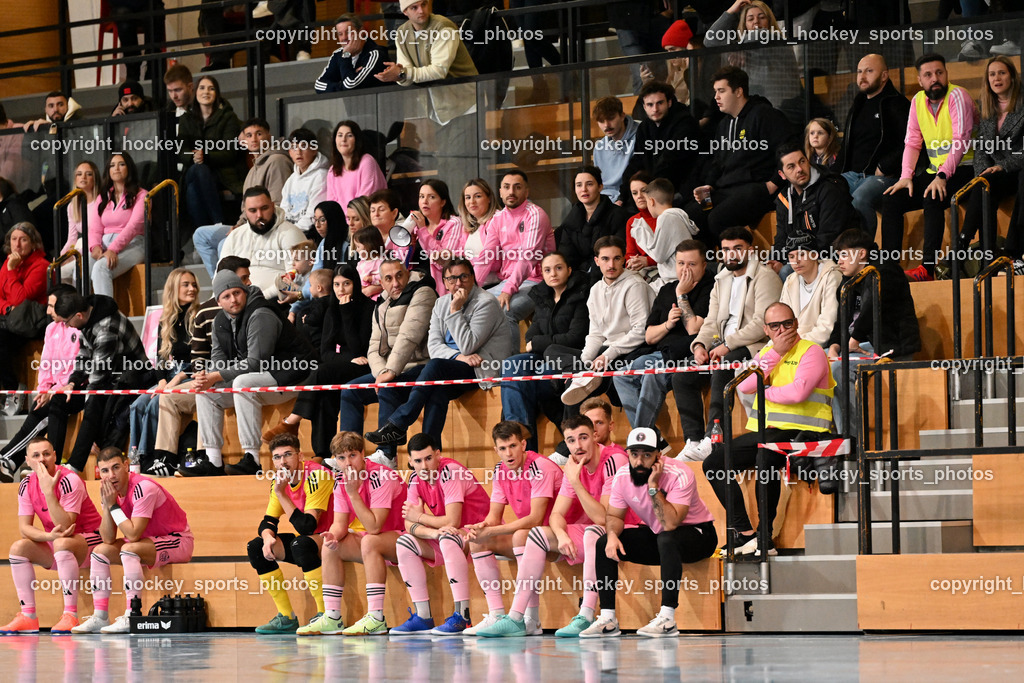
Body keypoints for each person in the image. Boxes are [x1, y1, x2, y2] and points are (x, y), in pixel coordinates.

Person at [472, 415, 633, 638]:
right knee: (536, 535)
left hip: (625, 530)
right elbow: (556, 514)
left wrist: (575, 481)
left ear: (595, 437)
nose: (578, 446)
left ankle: (586, 616)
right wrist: (561, 534)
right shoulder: (572, 464)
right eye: (571, 441)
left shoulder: (614, 459)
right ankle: (516, 617)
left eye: (583, 438)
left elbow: (604, 518)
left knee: (591, 532)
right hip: (582, 532)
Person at [703, 302, 834, 556]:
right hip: (768, 430)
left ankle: (765, 537)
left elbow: (799, 393)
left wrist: (766, 391)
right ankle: (744, 533)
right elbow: (744, 385)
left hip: (804, 431)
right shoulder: (767, 352)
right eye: (775, 326)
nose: (782, 330)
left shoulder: (812, 351)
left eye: (787, 323)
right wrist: (775, 354)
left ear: (796, 323)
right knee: (715, 463)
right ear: (766, 329)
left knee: (765, 455)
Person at [579, 427, 716, 638]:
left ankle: (667, 619)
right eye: (634, 454)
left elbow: (670, 523)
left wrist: (653, 487)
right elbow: (614, 517)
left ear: (659, 456)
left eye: (646, 455)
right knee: (603, 541)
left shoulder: (680, 473)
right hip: (659, 535)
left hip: (698, 535)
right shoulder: (622, 476)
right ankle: (608, 619)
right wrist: (613, 536)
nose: (639, 461)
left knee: (666, 538)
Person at [364, 258, 513, 448]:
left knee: (435, 366)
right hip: (451, 364)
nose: (458, 283)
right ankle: (427, 450)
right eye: (451, 279)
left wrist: (454, 310)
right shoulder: (441, 303)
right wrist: (458, 357)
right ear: (444, 282)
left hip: (480, 367)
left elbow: (468, 345)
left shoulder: (486, 302)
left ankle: (400, 422)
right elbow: (434, 346)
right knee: (406, 385)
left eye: (463, 277)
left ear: (473, 277)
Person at [190, 269, 315, 476]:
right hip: (265, 377)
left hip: (294, 372)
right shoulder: (220, 321)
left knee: (242, 383)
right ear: (218, 301)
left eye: (237, 293)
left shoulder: (260, 313)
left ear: (245, 291)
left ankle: (252, 458)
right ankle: (212, 460)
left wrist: (215, 376)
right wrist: (206, 378)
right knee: (206, 391)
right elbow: (218, 362)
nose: (234, 300)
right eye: (226, 296)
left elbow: (256, 363)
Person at [675, 226, 782, 461]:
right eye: (725, 250)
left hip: (756, 346)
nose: (731, 254)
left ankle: (715, 439)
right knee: (682, 374)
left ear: (750, 250)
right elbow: (711, 321)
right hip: (722, 346)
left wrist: (728, 345)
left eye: (738, 248)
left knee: (724, 366)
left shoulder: (766, 277)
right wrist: (700, 345)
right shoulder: (721, 279)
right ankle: (693, 441)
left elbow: (761, 324)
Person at [71, 447, 193, 634]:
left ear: (126, 465)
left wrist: (113, 506)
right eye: (105, 470)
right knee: (99, 552)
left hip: (177, 540)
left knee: (130, 548)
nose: (111, 475)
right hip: (145, 543)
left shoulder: (144, 487)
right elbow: (107, 538)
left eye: (116, 467)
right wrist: (108, 507)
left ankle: (132, 614)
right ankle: (100, 616)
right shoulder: (110, 492)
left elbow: (134, 534)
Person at [261, 264, 375, 462]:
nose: (341, 290)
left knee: (322, 373)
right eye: (337, 285)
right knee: (323, 392)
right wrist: (347, 359)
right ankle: (322, 454)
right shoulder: (332, 307)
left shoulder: (368, 307)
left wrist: (347, 313)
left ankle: (292, 421)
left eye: (346, 284)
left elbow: (360, 349)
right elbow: (326, 351)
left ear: (355, 284)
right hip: (342, 364)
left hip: (366, 363)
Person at [881, 53, 978, 282]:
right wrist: (906, 176)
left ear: (946, 74)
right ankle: (889, 269)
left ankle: (927, 268)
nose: (935, 78)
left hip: (967, 168)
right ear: (920, 80)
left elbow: (961, 140)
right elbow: (912, 142)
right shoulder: (917, 102)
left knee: (932, 196)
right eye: (928, 75)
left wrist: (943, 175)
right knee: (892, 199)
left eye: (939, 73)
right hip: (936, 171)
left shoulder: (958, 96)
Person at [299, 433, 406, 635]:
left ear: (363, 454)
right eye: (341, 458)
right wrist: (331, 536)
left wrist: (353, 494)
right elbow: (339, 525)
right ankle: (332, 617)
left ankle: (376, 617)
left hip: (404, 538)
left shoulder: (381, 476)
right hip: (376, 542)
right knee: (332, 546)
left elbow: (374, 527)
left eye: (352, 455)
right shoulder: (341, 481)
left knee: (370, 541)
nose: (347, 463)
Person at [154, 257, 253, 472]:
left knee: (199, 390)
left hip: (216, 377)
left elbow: (248, 359)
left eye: (193, 284)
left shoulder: (254, 309)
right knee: (145, 402)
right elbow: (193, 357)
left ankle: (204, 456)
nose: (248, 283)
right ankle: (163, 458)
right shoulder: (179, 318)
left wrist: (188, 377)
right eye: (243, 278)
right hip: (200, 375)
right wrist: (165, 379)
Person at [464, 421, 563, 634]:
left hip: (560, 536)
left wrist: (494, 530)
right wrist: (482, 528)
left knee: (521, 536)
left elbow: (536, 518)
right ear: (495, 450)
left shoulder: (540, 467)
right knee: (477, 541)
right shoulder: (500, 470)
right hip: (531, 536)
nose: (508, 453)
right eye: (502, 448)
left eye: (513, 446)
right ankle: (496, 614)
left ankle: (531, 619)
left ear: (523, 444)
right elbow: (493, 516)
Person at [338, 259, 438, 470]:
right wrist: (383, 371)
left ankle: (387, 455)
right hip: (392, 369)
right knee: (350, 390)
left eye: (399, 275)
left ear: (407, 273)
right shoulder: (381, 304)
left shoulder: (423, 292)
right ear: (381, 283)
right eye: (389, 278)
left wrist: (390, 372)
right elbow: (373, 347)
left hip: (421, 365)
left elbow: (409, 336)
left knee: (386, 386)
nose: (396, 282)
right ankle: (348, 457)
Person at [389, 433, 490, 636]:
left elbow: (451, 520)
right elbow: (408, 524)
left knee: (447, 537)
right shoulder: (415, 479)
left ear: (438, 454)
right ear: (410, 461)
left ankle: (463, 616)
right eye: (418, 461)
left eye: (428, 458)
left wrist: (421, 518)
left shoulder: (450, 471)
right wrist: (432, 532)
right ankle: (423, 617)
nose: (424, 466)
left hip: (481, 533)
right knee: (404, 542)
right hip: (452, 535)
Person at [0, 437, 101, 634]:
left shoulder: (70, 480)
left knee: (63, 542)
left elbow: (66, 525)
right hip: (59, 543)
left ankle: (70, 615)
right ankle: (28, 616)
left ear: (55, 456)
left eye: (46, 454)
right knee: (18, 548)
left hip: (91, 541)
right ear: (27, 461)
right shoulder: (26, 484)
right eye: (36, 456)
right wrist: (48, 538)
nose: (42, 459)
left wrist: (48, 492)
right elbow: (24, 529)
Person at [54, 288, 158, 474]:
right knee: (60, 400)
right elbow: (84, 358)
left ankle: (75, 465)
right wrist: (72, 383)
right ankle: (54, 464)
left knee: (93, 403)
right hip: (110, 377)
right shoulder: (86, 320)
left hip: (133, 378)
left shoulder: (106, 327)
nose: (67, 327)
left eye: (67, 322)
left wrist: (88, 405)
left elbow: (98, 376)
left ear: (78, 315)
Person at [614, 239, 714, 432]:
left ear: (704, 265)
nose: (685, 270)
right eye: (681, 263)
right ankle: (652, 439)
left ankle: (641, 440)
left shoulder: (710, 287)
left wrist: (682, 295)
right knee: (620, 375)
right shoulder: (667, 289)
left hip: (689, 353)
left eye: (692, 264)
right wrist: (667, 324)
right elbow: (650, 336)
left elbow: (694, 329)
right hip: (661, 353)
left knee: (652, 376)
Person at [686, 67, 794, 245]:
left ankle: (737, 265)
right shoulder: (723, 124)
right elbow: (717, 163)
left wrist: (774, 183)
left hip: (757, 188)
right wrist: (709, 186)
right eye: (715, 92)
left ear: (738, 92)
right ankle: (708, 267)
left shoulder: (765, 115)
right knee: (690, 215)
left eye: (721, 91)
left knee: (717, 219)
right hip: (724, 190)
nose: (716, 97)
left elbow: (788, 151)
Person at [828, 229, 920, 433]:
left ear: (861, 253)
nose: (839, 261)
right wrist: (834, 346)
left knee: (837, 370)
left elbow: (873, 309)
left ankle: (855, 437)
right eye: (838, 256)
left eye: (843, 254)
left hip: (889, 347)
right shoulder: (848, 282)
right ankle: (835, 435)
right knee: (820, 365)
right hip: (858, 348)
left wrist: (854, 340)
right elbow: (841, 321)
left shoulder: (884, 271)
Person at [501, 251, 590, 452]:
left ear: (568, 270)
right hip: (542, 357)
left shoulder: (580, 296)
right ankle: (519, 427)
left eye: (558, 268)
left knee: (531, 383)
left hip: (567, 357)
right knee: (512, 364)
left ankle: (525, 448)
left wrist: (541, 343)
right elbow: (529, 336)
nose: (553, 274)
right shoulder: (542, 297)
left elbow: (575, 337)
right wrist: (540, 343)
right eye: (547, 270)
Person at [245, 433, 333, 635]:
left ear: (300, 456)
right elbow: (268, 521)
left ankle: (325, 614)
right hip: (315, 540)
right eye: (277, 457)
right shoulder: (279, 481)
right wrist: (267, 538)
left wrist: (281, 493)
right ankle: (286, 617)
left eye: (287, 455)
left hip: (337, 536)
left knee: (301, 543)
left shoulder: (316, 475)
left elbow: (307, 526)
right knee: (256, 547)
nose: (282, 462)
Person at [558, 236, 655, 408]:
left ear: (624, 259)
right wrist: (585, 361)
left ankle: (593, 379)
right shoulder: (595, 290)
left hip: (635, 348)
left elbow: (641, 330)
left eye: (616, 258)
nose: (611, 265)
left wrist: (607, 355)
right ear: (596, 261)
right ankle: (572, 429)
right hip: (607, 352)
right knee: (569, 379)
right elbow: (596, 333)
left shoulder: (634, 285)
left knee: (579, 381)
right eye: (605, 259)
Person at [193, 118, 295, 278]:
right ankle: (220, 285)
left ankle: (230, 287)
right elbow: (245, 209)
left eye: (259, 134)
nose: (254, 139)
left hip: (263, 225)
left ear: (269, 136)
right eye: (248, 135)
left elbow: (278, 204)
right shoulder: (253, 168)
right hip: (245, 224)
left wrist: (242, 227)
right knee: (201, 234)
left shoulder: (277, 161)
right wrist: (239, 225)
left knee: (224, 244)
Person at [0, 285, 82, 483]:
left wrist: (55, 390)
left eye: (52, 306)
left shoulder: (78, 329)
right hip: (56, 390)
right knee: (39, 406)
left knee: (53, 405)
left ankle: (11, 458)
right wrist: (45, 389)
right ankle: (9, 460)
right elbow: (45, 364)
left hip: (77, 389)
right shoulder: (51, 328)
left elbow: (76, 366)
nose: (47, 311)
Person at [127, 268, 199, 477]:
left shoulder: (199, 316)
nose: (192, 288)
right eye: (186, 284)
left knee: (155, 403)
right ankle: (136, 457)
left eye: (193, 284)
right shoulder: (166, 320)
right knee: (138, 403)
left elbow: (202, 359)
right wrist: (160, 382)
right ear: (173, 289)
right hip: (169, 376)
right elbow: (161, 358)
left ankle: (149, 456)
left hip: (188, 375)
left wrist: (175, 379)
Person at [473, 170, 555, 348]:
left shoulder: (535, 214)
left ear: (526, 192)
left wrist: (509, 289)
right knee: (472, 307)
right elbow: (487, 255)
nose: (511, 192)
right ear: (500, 192)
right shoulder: (498, 218)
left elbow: (528, 257)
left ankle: (511, 369)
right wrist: (470, 288)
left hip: (539, 282)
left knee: (505, 311)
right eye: (507, 187)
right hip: (509, 282)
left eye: (517, 187)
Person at [960, 56, 1024, 274]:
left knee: (988, 183)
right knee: (982, 186)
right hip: (996, 174)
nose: (997, 78)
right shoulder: (987, 106)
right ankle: (988, 260)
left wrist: (1003, 166)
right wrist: (982, 173)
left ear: (1013, 77)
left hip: (1017, 170)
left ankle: (964, 245)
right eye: (992, 74)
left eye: (1002, 73)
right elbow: (980, 149)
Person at [836, 54, 911, 236]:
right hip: (851, 175)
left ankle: (864, 254)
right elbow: (847, 146)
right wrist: (831, 176)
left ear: (884, 75)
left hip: (881, 176)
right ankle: (833, 257)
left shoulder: (897, 103)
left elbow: (911, 142)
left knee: (860, 199)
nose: (862, 77)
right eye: (859, 71)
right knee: (824, 196)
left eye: (869, 71)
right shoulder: (857, 105)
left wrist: (884, 165)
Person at [770, 140, 862, 272]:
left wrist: (790, 260)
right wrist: (777, 259)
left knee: (786, 271)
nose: (800, 169)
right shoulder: (784, 199)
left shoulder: (830, 189)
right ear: (782, 175)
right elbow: (781, 238)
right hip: (802, 256)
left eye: (802, 161)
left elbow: (828, 238)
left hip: (833, 257)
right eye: (791, 166)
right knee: (767, 268)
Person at [176, 75, 246, 229]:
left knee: (193, 190)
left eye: (211, 88)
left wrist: (205, 156)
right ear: (195, 92)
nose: (206, 92)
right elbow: (181, 151)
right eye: (202, 88)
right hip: (193, 169)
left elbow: (229, 152)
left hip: (221, 174)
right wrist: (195, 157)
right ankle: (218, 223)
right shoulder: (186, 119)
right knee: (198, 170)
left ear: (217, 94)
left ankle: (200, 238)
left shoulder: (229, 118)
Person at [703, 0, 802, 107]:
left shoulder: (779, 41)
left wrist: (737, 49)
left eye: (762, 17)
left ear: (769, 21)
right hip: (749, 104)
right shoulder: (742, 45)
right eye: (750, 19)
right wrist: (731, 10)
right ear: (744, 24)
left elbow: (761, 35)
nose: (756, 22)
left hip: (779, 104)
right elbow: (709, 41)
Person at [622, 81, 704, 205]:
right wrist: (622, 195)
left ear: (669, 102)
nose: (655, 109)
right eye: (650, 105)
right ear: (644, 107)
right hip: (655, 189)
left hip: (684, 189)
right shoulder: (644, 128)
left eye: (659, 103)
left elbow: (671, 161)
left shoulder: (685, 123)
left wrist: (650, 190)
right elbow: (637, 161)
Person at [219, 186, 306, 300]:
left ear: (273, 206)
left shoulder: (290, 233)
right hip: (236, 301)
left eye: (264, 208)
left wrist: (261, 297)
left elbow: (297, 276)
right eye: (253, 210)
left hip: (275, 301)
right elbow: (221, 275)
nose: (259, 215)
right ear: (245, 211)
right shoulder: (235, 236)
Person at [88, 152, 148, 297]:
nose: (116, 169)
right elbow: (94, 228)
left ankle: (107, 317)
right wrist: (95, 247)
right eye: (112, 165)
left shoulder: (142, 195)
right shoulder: (103, 196)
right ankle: (82, 315)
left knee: (101, 268)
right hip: (104, 245)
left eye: (121, 164)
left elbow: (134, 226)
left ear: (129, 168)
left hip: (132, 244)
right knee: (80, 270)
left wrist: (113, 249)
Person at [0, 222, 49, 395]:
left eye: (23, 240)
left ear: (34, 243)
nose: (17, 244)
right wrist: (7, 308)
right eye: (14, 239)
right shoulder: (8, 262)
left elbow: (20, 300)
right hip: (10, 319)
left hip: (31, 322)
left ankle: (13, 392)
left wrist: (12, 270)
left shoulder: (41, 266)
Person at [556, 166, 629, 280]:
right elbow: (566, 257)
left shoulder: (617, 215)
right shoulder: (571, 220)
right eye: (579, 185)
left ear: (600, 186)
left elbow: (616, 254)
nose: (584, 189)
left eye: (589, 184)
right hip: (577, 277)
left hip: (609, 277)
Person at [406, 179, 467, 295]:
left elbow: (444, 261)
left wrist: (423, 231)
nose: (425, 201)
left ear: (443, 202)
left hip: (439, 290)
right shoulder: (415, 225)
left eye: (431, 197)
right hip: (414, 285)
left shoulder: (454, 223)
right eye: (421, 196)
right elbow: (403, 263)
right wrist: (409, 246)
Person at [634, 178, 699, 285]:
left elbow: (659, 256)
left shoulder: (666, 217)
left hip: (675, 280)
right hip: (674, 278)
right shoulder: (675, 215)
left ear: (651, 201)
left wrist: (640, 232)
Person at [779, 248, 842, 348]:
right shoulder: (790, 280)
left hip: (821, 347)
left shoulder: (832, 277)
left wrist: (793, 345)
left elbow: (826, 329)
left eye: (801, 255)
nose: (796, 261)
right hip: (793, 345)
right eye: (791, 257)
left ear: (815, 255)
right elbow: (781, 323)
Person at [325, 120, 387, 215]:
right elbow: (331, 205)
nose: (343, 139)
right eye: (340, 135)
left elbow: (363, 202)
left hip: (364, 220)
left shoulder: (367, 162)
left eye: (349, 135)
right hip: (343, 224)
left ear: (357, 140)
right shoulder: (332, 171)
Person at [314, 14, 386, 93]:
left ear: (361, 32)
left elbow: (350, 86)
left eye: (348, 32)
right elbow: (319, 85)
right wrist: (343, 85)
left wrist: (346, 55)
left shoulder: (375, 54)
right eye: (340, 34)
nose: (344, 38)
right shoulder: (338, 54)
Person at [280, 128, 329, 236]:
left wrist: (290, 233)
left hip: (310, 233)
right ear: (289, 152)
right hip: (289, 232)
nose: (298, 152)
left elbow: (313, 215)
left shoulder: (321, 176)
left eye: (303, 146)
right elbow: (283, 211)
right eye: (294, 148)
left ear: (314, 149)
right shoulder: (291, 179)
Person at [58, 161, 100, 283]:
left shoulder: (100, 201)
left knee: (77, 271)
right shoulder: (72, 206)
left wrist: (76, 254)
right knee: (56, 271)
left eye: (88, 174)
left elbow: (99, 234)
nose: (83, 177)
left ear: (95, 179)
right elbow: (72, 238)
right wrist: (62, 256)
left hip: (96, 249)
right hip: (80, 251)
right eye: (79, 174)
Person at [591, 97, 639, 204]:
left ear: (622, 116)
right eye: (601, 121)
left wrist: (620, 199)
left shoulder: (642, 133)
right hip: (607, 201)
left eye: (611, 118)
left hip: (632, 197)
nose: (606, 125)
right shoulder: (599, 148)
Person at [458, 179, 498, 268]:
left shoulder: (497, 220)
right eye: (468, 197)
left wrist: (470, 262)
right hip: (473, 280)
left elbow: (495, 261)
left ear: (489, 198)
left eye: (478, 196)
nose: (472, 202)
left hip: (496, 281)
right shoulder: (467, 226)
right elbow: (462, 257)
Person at [624, 172, 657, 272]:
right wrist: (632, 262)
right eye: (634, 193)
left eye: (643, 191)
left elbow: (675, 254)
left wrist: (648, 261)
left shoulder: (667, 216)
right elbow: (630, 254)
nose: (639, 196)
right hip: (640, 271)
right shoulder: (632, 221)